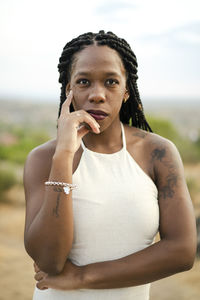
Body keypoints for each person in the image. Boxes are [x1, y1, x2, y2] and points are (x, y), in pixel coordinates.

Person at [23, 30, 197, 300]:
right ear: (69, 90)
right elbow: (49, 261)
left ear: (126, 90)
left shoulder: (158, 153)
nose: (97, 95)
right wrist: (64, 155)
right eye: (83, 82)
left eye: (111, 82)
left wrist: (82, 277)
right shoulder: (43, 158)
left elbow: (182, 251)